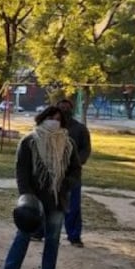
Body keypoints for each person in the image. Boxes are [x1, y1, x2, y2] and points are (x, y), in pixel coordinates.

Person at [0, 106, 82, 269]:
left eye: (58, 118)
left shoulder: (68, 144)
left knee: (52, 239)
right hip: (34, 199)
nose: (54, 121)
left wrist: (67, 183)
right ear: (42, 118)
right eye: (51, 117)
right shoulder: (30, 142)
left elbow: (76, 169)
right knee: (23, 236)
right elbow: (21, 170)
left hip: (57, 200)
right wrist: (26, 195)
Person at [57, 98, 92, 247]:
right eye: (61, 108)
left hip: (72, 174)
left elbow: (86, 149)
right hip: (52, 172)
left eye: (67, 108)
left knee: (73, 206)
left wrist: (78, 162)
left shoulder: (80, 129)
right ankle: (39, 232)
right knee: (47, 204)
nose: (64, 110)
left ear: (71, 110)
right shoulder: (51, 127)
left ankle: (74, 236)